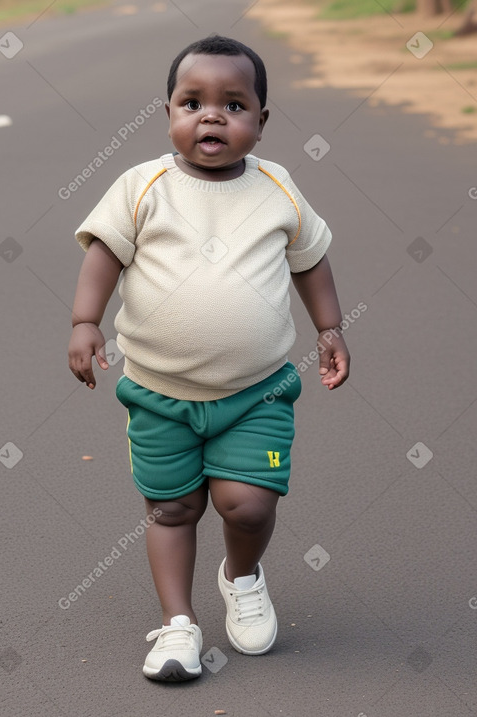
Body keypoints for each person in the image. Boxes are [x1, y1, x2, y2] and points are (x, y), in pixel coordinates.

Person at [68, 35, 350, 682]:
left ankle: (242, 574)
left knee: (248, 504)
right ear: (168, 111)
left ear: (261, 121)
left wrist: (329, 328)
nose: (211, 116)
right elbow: (103, 256)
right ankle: (178, 624)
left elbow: (311, 261)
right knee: (172, 507)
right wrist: (85, 321)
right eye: (192, 102)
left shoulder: (278, 187)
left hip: (259, 393)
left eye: (233, 104)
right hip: (158, 393)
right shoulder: (143, 187)